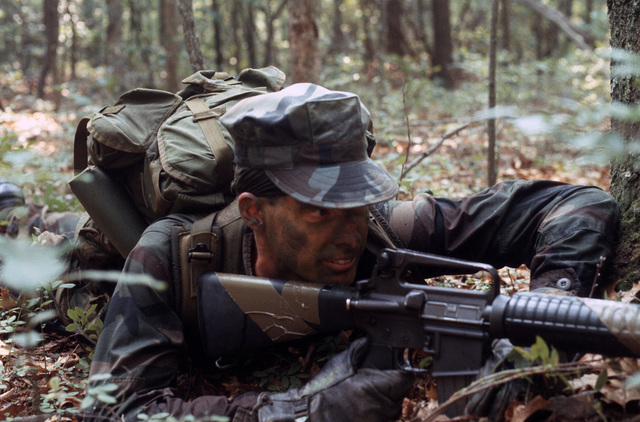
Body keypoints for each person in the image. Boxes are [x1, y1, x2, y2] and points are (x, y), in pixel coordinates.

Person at [84, 83, 619, 422]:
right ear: (253, 210)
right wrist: (300, 410)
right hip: (92, 275)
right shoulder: (169, 258)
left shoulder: (380, 230)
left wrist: (550, 318)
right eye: (320, 210)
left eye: (358, 203)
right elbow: (116, 411)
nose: (349, 234)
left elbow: (577, 204)